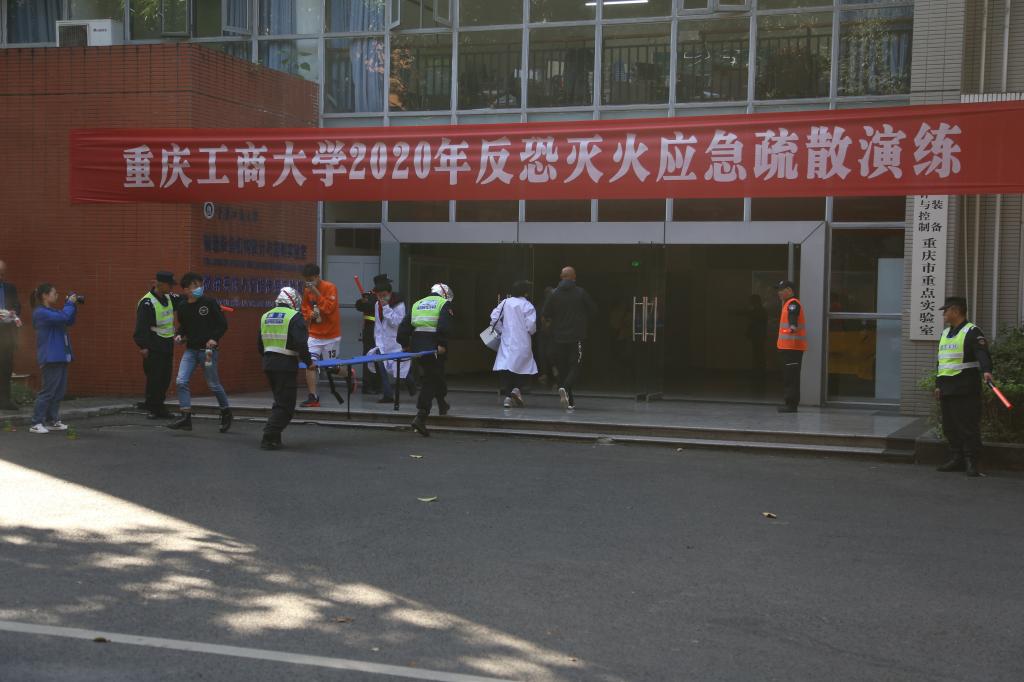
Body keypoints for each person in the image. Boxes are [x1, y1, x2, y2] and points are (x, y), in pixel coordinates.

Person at [934, 296, 994, 477]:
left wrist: (986, 370)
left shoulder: (972, 331)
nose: (944, 314)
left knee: (967, 426)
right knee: (949, 426)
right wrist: (938, 385)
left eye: (946, 310)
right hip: (947, 388)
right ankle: (957, 458)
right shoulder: (946, 333)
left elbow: (982, 353)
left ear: (956, 310)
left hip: (965, 388)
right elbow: (941, 362)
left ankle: (971, 461)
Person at [167, 273, 232, 433]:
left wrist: (214, 338)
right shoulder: (183, 306)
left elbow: (222, 324)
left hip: (208, 351)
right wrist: (180, 335)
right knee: (181, 381)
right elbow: (184, 327)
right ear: (186, 289)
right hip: (191, 350)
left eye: (200, 285)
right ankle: (186, 417)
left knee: (213, 384)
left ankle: (226, 412)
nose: (199, 288)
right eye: (195, 285)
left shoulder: (209, 303)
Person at [258, 287, 313, 450]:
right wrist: (309, 362)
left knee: (279, 401)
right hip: (286, 364)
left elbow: (259, 344)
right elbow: (301, 343)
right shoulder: (294, 317)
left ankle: (275, 439)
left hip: (268, 363)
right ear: (293, 300)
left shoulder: (265, 316)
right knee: (287, 406)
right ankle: (269, 435)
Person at [399, 283, 454, 437]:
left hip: (418, 347)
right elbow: (444, 325)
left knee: (436, 374)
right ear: (444, 293)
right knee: (431, 379)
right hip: (434, 346)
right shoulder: (444, 303)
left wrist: (404, 344)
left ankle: (442, 404)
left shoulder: (418, 303)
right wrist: (442, 343)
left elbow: (404, 326)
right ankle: (421, 415)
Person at [541, 266, 596, 411]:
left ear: (561, 276)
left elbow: (545, 314)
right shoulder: (581, 293)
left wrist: (550, 330)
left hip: (558, 337)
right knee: (575, 365)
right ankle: (564, 388)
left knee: (563, 368)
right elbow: (593, 310)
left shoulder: (553, 294)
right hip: (576, 337)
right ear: (574, 277)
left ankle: (570, 400)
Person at [28, 283, 78, 434]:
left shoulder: (53, 311)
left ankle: (52, 420)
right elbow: (64, 316)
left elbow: (69, 320)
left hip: (61, 354)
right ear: (45, 295)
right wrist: (69, 304)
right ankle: (36, 422)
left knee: (59, 391)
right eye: (54, 293)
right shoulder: (40, 313)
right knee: (48, 391)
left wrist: (73, 305)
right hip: (51, 356)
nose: (57, 295)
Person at [134, 271, 180, 419]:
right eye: (170, 285)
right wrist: (143, 346)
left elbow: (185, 301)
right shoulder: (147, 302)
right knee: (155, 378)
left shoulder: (170, 298)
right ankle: (155, 409)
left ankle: (157, 405)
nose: (172, 288)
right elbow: (141, 326)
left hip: (167, 343)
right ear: (160, 284)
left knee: (165, 378)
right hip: (153, 344)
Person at [490, 280, 538, 408]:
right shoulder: (527, 305)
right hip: (522, 339)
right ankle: (516, 389)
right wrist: (531, 332)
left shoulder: (505, 302)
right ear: (526, 293)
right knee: (523, 366)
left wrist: (502, 330)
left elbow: (494, 318)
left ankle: (508, 397)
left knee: (507, 366)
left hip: (507, 339)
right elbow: (531, 326)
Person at [299, 263, 340, 408]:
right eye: (306, 280)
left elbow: (329, 309)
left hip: (331, 334)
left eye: (311, 280)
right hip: (314, 335)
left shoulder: (330, 287)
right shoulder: (307, 290)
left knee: (332, 368)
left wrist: (316, 292)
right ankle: (313, 397)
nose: (308, 283)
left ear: (317, 277)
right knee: (310, 364)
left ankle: (349, 373)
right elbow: (304, 308)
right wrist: (310, 314)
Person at [372, 275, 414, 403]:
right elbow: (378, 324)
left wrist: (386, 308)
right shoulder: (377, 304)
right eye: (379, 296)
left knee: (399, 367)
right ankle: (388, 394)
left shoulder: (399, 305)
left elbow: (397, 323)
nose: (382, 298)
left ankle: (411, 383)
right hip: (381, 343)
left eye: (384, 295)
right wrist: (377, 339)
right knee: (382, 367)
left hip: (395, 343)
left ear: (390, 293)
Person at [775, 280, 806, 413]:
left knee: (791, 377)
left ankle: (791, 405)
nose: (779, 293)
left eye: (781, 290)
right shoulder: (788, 304)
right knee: (789, 375)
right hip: (788, 348)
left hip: (792, 348)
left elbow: (793, 316)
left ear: (789, 290)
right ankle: (790, 403)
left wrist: (792, 326)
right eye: (779, 290)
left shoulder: (793, 304)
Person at [0, 260, 23, 411]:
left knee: (6, 368)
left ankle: (4, 401)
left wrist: (14, 312)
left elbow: (17, 305)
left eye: (2, 273)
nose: (0, 276)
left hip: (7, 334)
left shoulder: (10, 288)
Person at [354, 280, 381, 395]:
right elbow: (359, 306)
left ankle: (377, 385)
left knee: (379, 358)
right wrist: (363, 301)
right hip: (371, 330)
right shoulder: (370, 296)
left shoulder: (382, 297)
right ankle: (368, 385)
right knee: (369, 357)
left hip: (381, 331)